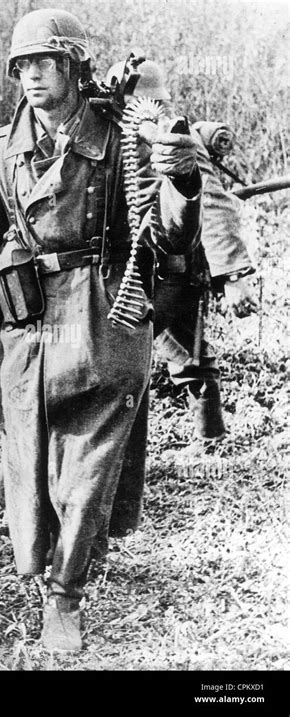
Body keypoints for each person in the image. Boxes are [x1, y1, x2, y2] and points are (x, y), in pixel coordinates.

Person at [0, 8, 202, 651]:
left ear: (74, 67)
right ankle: (53, 565)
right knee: (35, 470)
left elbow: (169, 234)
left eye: (43, 63)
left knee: (89, 466)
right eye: (20, 67)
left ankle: (66, 597)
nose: (30, 77)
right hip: (29, 328)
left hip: (108, 315)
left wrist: (183, 180)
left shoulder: (123, 136)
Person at [106, 58, 257, 536]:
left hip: (170, 271)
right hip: (132, 268)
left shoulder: (176, 137)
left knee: (181, 353)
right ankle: (206, 436)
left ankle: (209, 441)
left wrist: (234, 273)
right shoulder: (115, 137)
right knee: (172, 355)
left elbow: (213, 202)